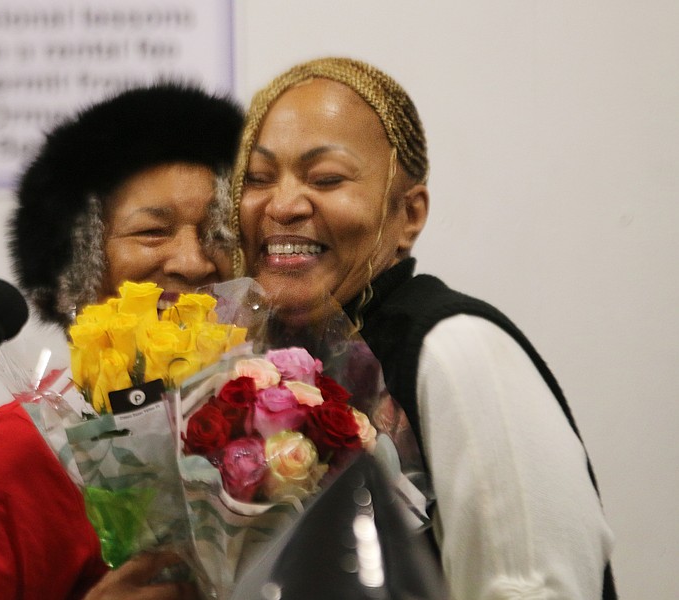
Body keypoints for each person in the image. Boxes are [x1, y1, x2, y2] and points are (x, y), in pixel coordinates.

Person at [230, 57, 616, 599]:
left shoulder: (455, 349)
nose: (283, 205)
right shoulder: (255, 362)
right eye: (257, 178)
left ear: (409, 215)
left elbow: (533, 585)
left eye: (326, 178)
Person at [0, 82, 244, 600]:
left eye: (218, 233)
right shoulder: (19, 451)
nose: (194, 262)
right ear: (79, 266)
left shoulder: (280, 425)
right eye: (152, 232)